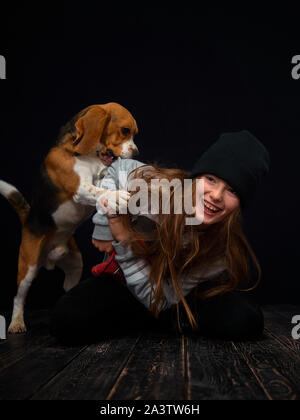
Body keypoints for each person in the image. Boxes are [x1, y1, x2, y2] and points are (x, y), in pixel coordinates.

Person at [49, 130, 270, 344]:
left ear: (241, 203)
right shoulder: (159, 191)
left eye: (232, 190)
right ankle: (160, 319)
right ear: (195, 178)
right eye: (210, 179)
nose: (216, 195)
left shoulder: (220, 249)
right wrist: (104, 228)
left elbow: (159, 298)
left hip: (175, 294)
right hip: (125, 284)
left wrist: (122, 235)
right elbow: (115, 170)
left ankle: (162, 318)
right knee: (67, 320)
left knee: (245, 321)